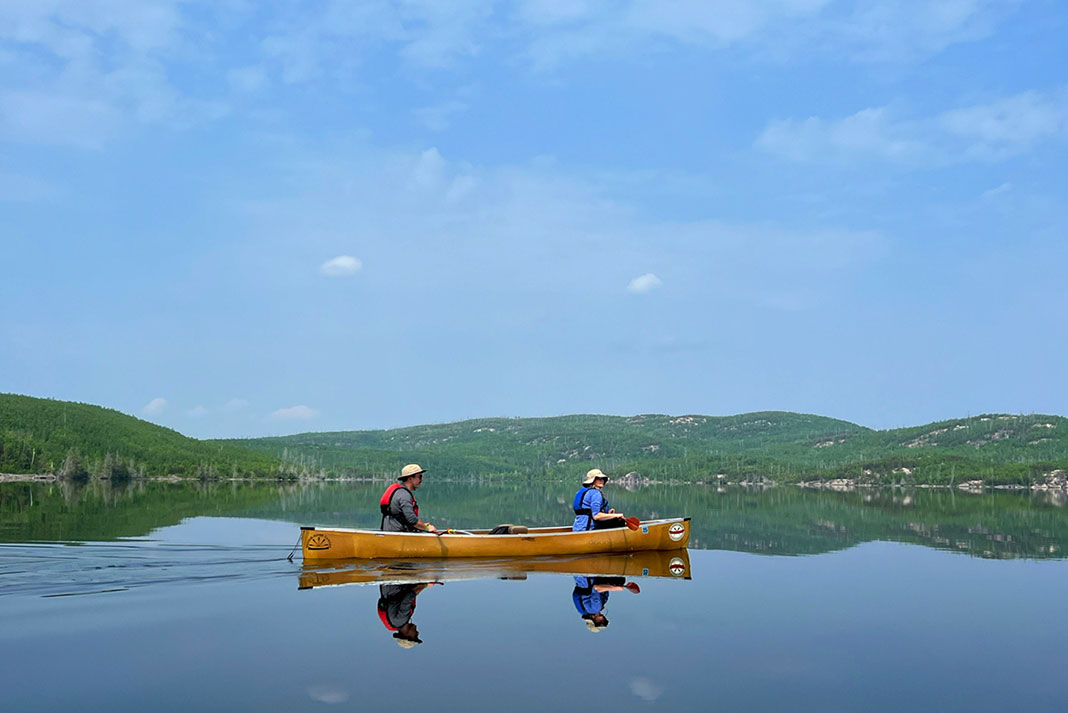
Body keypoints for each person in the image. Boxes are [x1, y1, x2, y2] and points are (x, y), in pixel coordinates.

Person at [380, 464, 438, 533]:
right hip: (398, 534)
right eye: (419, 477)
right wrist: (427, 528)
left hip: (393, 532)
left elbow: (409, 520)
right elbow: (412, 520)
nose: (422, 479)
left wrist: (422, 525)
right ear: (410, 478)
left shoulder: (401, 492)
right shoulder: (404, 495)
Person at [377, 582, 435, 648]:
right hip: (389, 585)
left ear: (407, 635)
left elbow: (409, 596)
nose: (417, 633)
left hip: (395, 583)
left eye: (415, 636)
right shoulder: (396, 623)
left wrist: (425, 585)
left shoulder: (400, 620)